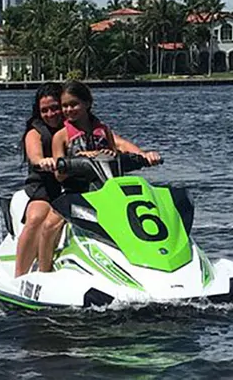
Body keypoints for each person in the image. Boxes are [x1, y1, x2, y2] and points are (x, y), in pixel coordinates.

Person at [38, 80, 161, 268]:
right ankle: (43, 271)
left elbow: (121, 147)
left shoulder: (103, 130)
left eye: (74, 104)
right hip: (76, 194)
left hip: (106, 192)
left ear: (87, 103)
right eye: (65, 106)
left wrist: (146, 156)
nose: (69, 110)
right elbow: (59, 176)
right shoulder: (61, 136)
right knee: (48, 226)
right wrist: (78, 160)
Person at [13, 82, 65, 277]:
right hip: (45, 187)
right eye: (45, 110)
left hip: (74, 185)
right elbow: (34, 154)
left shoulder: (77, 126)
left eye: (55, 108)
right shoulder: (35, 132)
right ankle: (19, 274)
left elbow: (115, 141)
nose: (51, 114)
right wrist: (43, 161)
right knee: (36, 217)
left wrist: (141, 154)